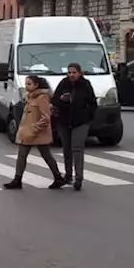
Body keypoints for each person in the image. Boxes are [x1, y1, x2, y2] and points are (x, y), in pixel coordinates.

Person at [4, 75, 64, 190]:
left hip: (37, 132)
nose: (26, 86)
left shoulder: (42, 98)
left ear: (37, 85)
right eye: (26, 84)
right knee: (22, 156)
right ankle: (17, 179)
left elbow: (46, 118)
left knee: (46, 155)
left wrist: (34, 129)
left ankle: (58, 177)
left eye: (29, 84)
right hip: (27, 132)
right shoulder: (29, 97)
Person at [52, 62, 97, 190]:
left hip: (81, 121)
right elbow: (54, 100)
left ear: (79, 73)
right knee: (66, 149)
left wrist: (88, 116)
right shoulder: (63, 83)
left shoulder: (85, 84)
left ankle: (79, 178)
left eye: (74, 72)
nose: (71, 75)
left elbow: (93, 103)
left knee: (77, 148)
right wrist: (61, 100)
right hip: (64, 121)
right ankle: (68, 175)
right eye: (69, 72)